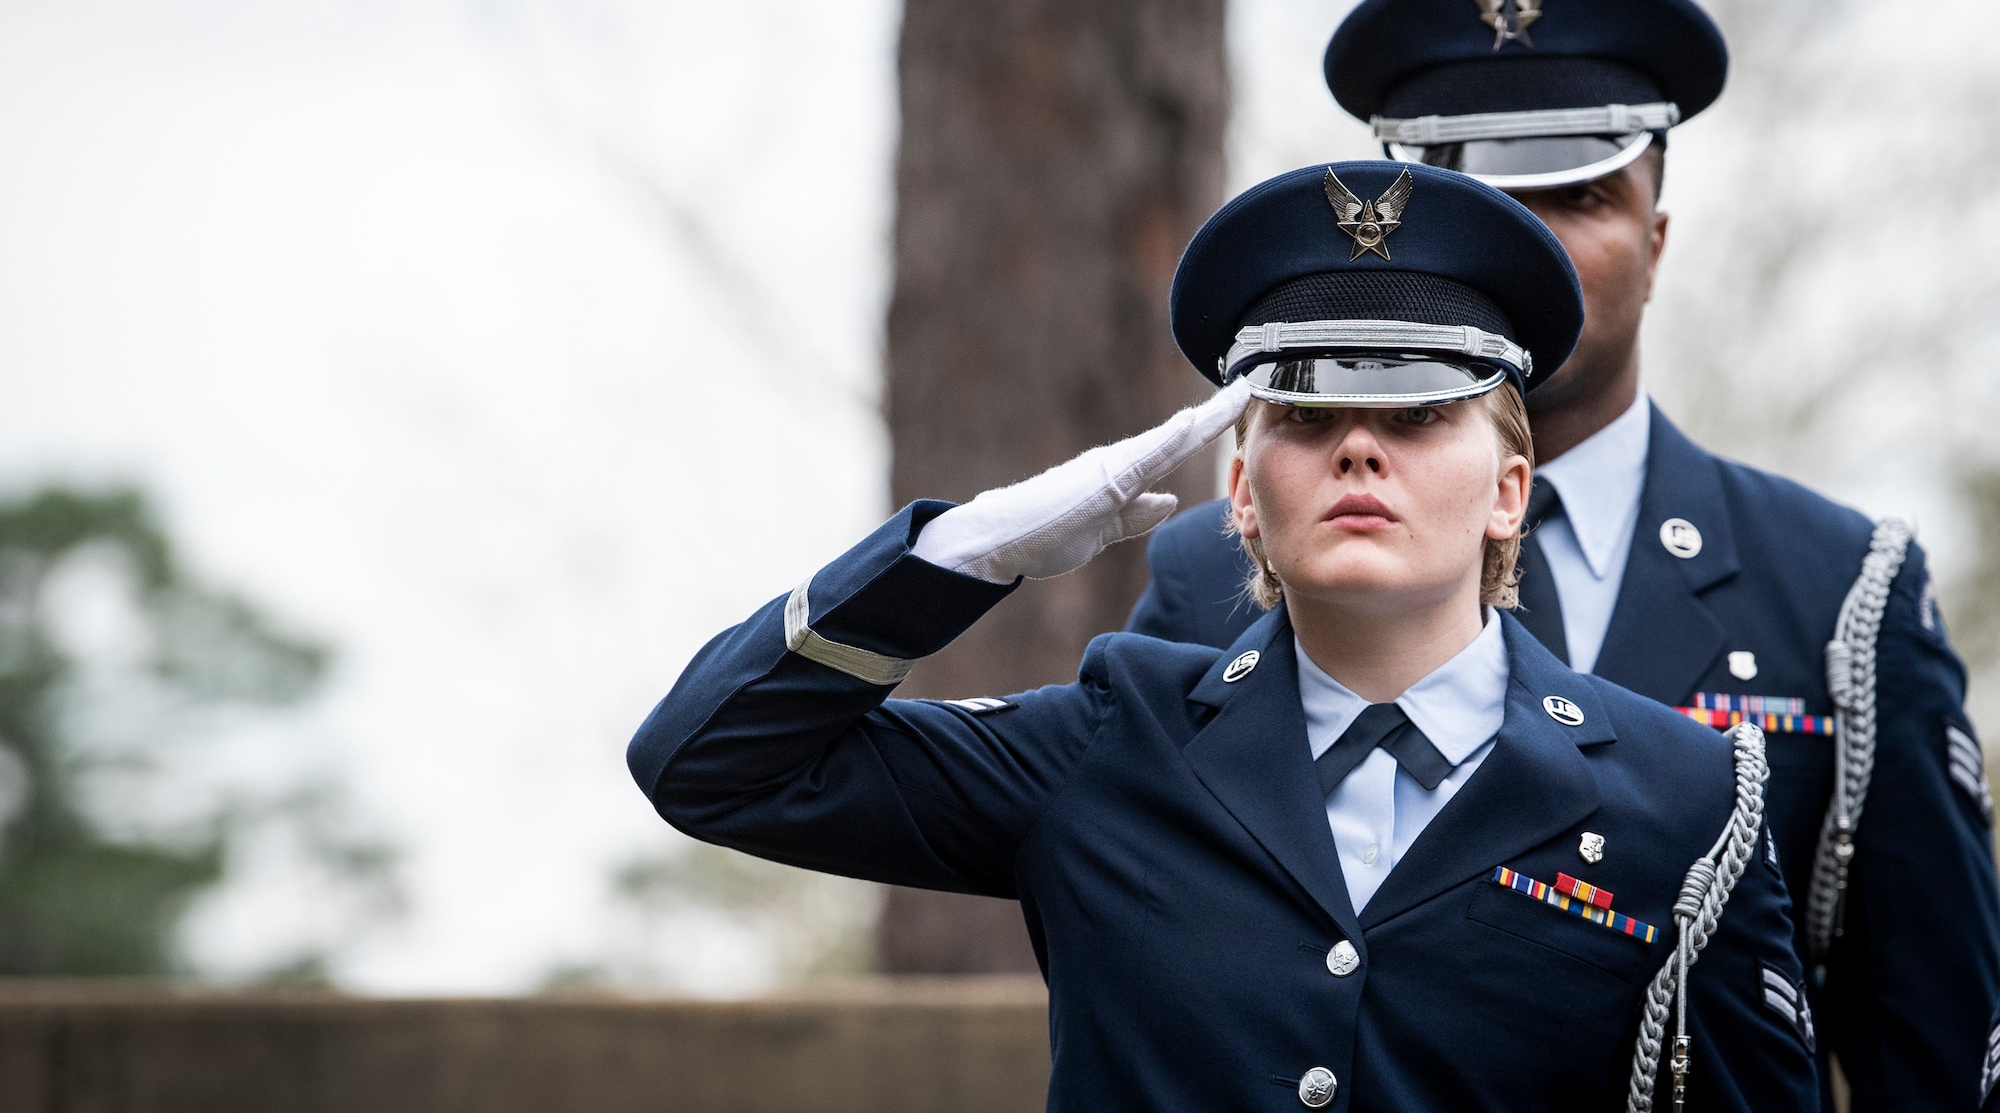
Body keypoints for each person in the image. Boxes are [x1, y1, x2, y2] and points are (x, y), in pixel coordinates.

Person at [630, 161, 1817, 1111]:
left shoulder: (1685, 793)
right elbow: (707, 763)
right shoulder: (1108, 739)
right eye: (1304, 412)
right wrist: (960, 555)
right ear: (1241, 492)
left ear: (1509, 489)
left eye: (1418, 411)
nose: (1359, 446)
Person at [1124, 0, 2000, 1110]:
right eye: (1473, 198)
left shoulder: (1834, 590)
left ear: (1658, 234)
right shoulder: (1204, 579)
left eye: (1577, 196)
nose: (1523, 246)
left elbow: (1930, 1050)